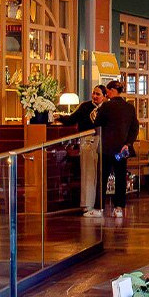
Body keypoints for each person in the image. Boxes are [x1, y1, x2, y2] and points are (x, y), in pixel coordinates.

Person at [92, 79, 139, 218]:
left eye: (107, 92)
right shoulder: (130, 108)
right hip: (122, 150)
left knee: (103, 177)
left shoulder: (106, 106)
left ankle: (99, 208)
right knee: (120, 177)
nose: (106, 95)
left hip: (107, 149)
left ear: (112, 91)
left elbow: (97, 123)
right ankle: (119, 208)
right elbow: (134, 128)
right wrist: (128, 143)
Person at [57, 85, 105, 217]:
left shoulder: (107, 108)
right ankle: (87, 205)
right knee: (88, 173)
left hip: (103, 142)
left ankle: (100, 205)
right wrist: (58, 117)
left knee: (101, 175)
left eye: (98, 94)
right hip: (87, 141)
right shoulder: (85, 107)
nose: (94, 96)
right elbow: (71, 119)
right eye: (93, 93)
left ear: (104, 96)